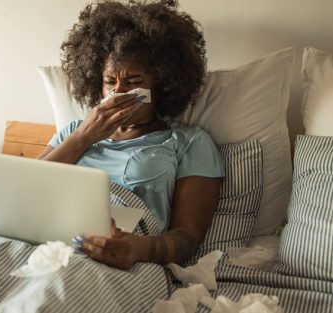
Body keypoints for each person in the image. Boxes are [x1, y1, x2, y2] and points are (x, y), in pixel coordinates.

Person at [37, 0, 225, 270]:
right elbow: (25, 191)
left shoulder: (189, 142)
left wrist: (139, 249)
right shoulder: (74, 133)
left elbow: (188, 236)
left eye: (134, 83)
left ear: (161, 87)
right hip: (50, 241)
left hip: (127, 259)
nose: (119, 92)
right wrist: (84, 137)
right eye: (110, 82)